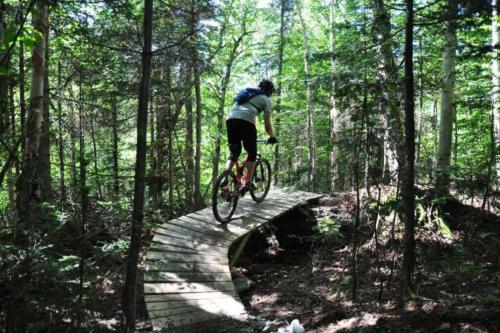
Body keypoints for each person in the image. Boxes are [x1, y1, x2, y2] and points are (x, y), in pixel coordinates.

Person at [225, 79, 277, 191]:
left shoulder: (248, 95)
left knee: (234, 152)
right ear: (269, 91)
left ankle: (225, 178)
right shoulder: (266, 99)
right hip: (246, 121)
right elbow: (267, 125)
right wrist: (272, 137)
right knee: (252, 152)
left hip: (230, 119)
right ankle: (248, 182)